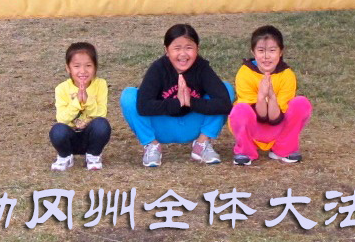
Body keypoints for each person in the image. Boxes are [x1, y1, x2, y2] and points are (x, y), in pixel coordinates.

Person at [120, 23, 234, 167]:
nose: (183, 54)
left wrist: (191, 102)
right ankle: (151, 145)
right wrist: (177, 103)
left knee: (227, 89)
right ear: (167, 50)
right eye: (177, 48)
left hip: (194, 126)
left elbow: (225, 104)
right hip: (162, 127)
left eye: (189, 47)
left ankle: (202, 144)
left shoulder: (202, 68)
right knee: (129, 96)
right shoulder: (158, 68)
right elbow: (143, 106)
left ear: (197, 49)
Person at [229, 25, 313, 165]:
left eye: (272, 50)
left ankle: (283, 149)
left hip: (277, 125)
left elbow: (275, 118)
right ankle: (246, 151)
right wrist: (261, 97)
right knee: (240, 109)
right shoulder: (244, 73)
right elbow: (259, 115)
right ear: (253, 52)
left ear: (281, 52)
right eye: (261, 51)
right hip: (255, 126)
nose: (266, 56)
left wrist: (272, 97)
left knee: (301, 103)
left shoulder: (287, 75)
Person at [50, 42, 111, 171]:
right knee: (57, 130)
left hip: (90, 136)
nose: (83, 71)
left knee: (102, 125)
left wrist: (87, 101)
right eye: (77, 66)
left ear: (95, 67)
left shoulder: (100, 84)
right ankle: (65, 156)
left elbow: (101, 114)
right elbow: (62, 119)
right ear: (68, 68)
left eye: (88, 65)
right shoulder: (61, 88)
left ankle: (93, 155)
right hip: (70, 135)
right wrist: (77, 102)